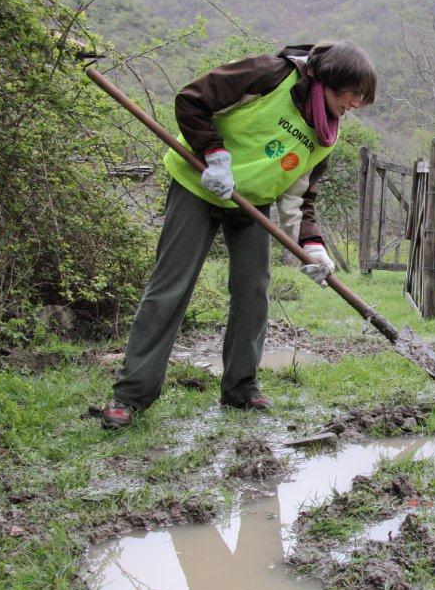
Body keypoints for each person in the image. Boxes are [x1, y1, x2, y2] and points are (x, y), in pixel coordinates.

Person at [99, 41, 377, 429]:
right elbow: (192, 100)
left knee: (253, 290)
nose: (353, 106)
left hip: (250, 202)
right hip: (198, 183)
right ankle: (131, 395)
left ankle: (240, 388)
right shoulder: (270, 75)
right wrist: (213, 156)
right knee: (170, 287)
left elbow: (299, 200)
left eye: (359, 101)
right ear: (326, 80)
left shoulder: (325, 134)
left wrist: (313, 249)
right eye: (350, 97)